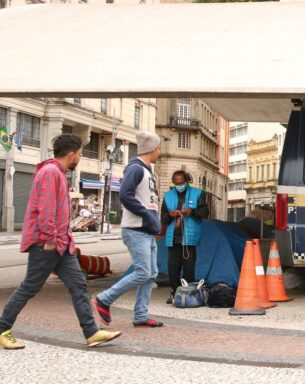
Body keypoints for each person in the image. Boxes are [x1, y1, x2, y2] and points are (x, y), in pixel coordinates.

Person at [0, 134, 121, 350]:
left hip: (62, 244)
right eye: (80, 154)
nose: (80, 158)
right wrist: (49, 239)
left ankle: (92, 333)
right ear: (72, 154)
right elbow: (46, 209)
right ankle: (2, 329)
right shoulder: (50, 172)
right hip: (48, 243)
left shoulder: (57, 172)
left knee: (78, 285)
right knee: (30, 287)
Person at [92, 131, 164, 328]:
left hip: (146, 230)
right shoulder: (136, 169)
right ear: (152, 148)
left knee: (151, 274)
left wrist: (151, 220)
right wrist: (147, 215)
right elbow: (125, 195)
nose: (159, 152)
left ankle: (140, 315)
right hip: (136, 229)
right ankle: (104, 299)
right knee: (143, 272)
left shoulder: (146, 171)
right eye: (158, 148)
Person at [160, 170, 209, 304]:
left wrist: (191, 212)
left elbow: (205, 212)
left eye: (181, 183)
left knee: (188, 268)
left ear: (187, 181)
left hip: (189, 238)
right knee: (173, 268)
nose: (179, 185)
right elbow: (163, 218)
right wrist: (169, 215)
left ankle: (188, 294)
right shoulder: (167, 196)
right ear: (173, 183)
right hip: (173, 238)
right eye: (176, 183)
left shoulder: (198, 193)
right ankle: (175, 293)